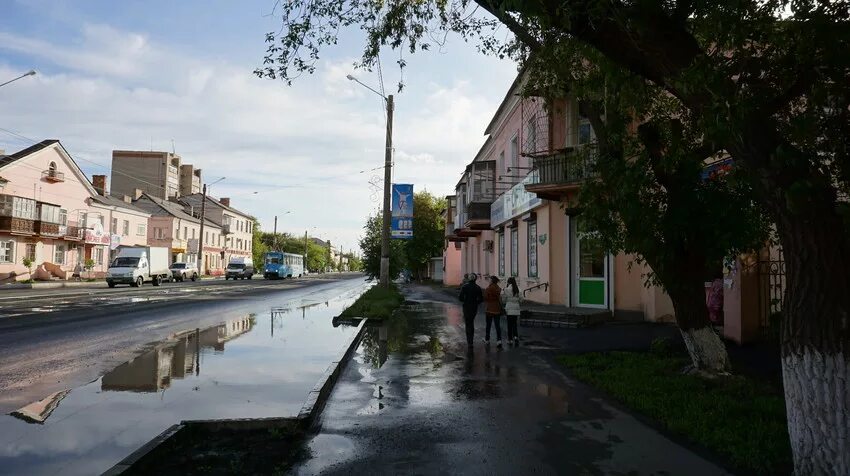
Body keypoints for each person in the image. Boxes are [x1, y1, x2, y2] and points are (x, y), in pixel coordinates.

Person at [458, 273, 483, 348]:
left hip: (466, 306)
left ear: (469, 279)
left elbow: (460, 298)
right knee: (471, 322)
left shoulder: (465, 287)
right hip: (474, 307)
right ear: (475, 279)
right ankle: (471, 340)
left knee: (468, 323)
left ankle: (469, 341)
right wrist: (476, 302)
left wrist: (465, 300)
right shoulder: (478, 287)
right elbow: (481, 299)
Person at [483, 275, 503, 348]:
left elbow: (485, 297)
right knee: (497, 325)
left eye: (490, 279)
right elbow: (500, 298)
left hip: (489, 309)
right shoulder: (498, 288)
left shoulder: (489, 288)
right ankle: (499, 340)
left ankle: (487, 339)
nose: (489, 281)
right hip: (497, 308)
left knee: (488, 325)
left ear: (491, 281)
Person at [502, 277, 522, 346]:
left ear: (508, 282)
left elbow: (503, 300)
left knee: (509, 325)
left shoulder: (506, 290)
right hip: (516, 308)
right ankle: (516, 337)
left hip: (509, 308)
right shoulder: (518, 289)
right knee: (514, 324)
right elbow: (521, 299)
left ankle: (510, 339)